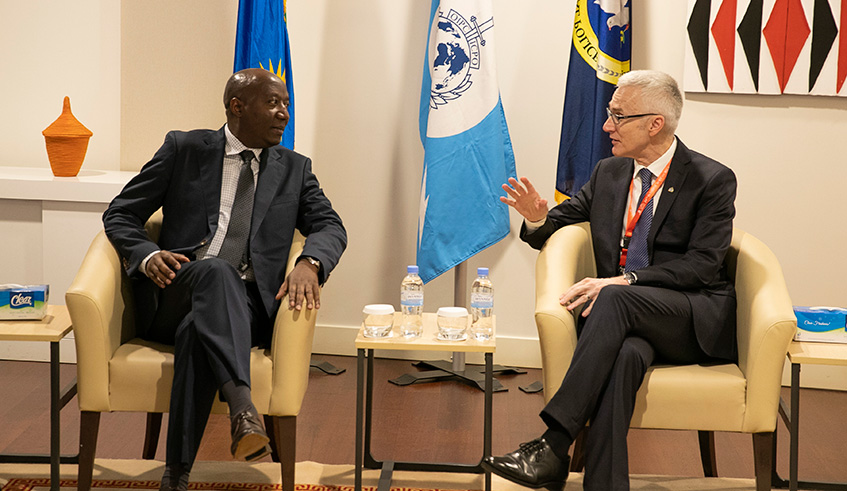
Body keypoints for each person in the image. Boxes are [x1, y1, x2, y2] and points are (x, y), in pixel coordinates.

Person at [483, 70, 737, 491]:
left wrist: (626, 281)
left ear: (655, 123)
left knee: (614, 297)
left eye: (618, 116)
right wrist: (536, 217)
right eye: (608, 114)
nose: (606, 126)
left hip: (688, 315)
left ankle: (553, 444)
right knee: (625, 357)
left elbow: (703, 266)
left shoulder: (711, 179)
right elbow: (554, 225)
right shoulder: (610, 173)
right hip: (625, 324)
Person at [103, 68, 347, 491]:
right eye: (273, 103)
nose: (284, 114)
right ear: (237, 107)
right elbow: (121, 213)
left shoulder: (294, 168)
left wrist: (310, 262)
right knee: (215, 270)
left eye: (286, 104)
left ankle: (176, 475)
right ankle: (243, 408)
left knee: (199, 330)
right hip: (176, 288)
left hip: (247, 307)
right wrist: (146, 254)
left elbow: (330, 226)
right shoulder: (184, 149)